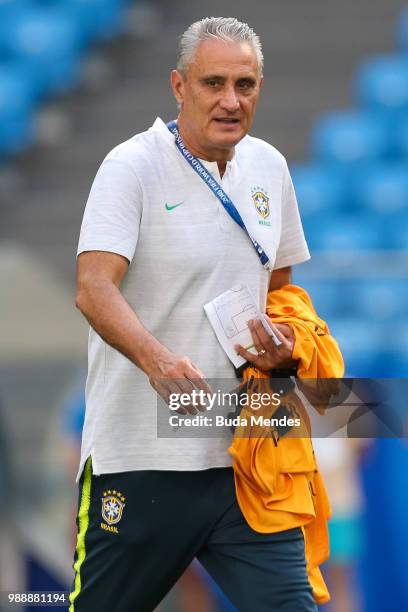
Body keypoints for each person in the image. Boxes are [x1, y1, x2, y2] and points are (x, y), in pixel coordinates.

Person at [69, 16, 316, 612]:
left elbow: (278, 286)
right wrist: (155, 359)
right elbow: (92, 287)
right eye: (214, 84)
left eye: (246, 84)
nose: (231, 101)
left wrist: (283, 342)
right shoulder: (131, 166)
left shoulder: (270, 168)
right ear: (179, 87)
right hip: (145, 456)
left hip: (247, 453)